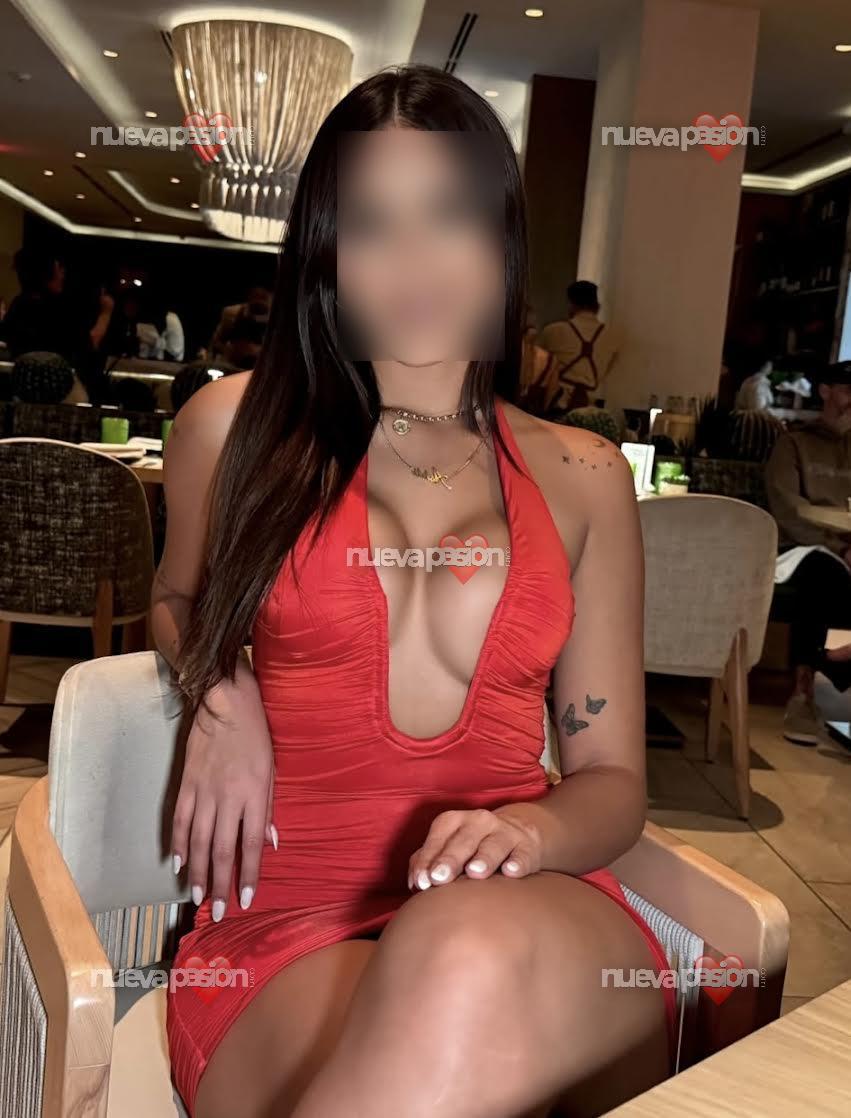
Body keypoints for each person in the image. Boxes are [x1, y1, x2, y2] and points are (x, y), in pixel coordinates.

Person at [155, 65, 674, 1118]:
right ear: (324, 252)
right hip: (284, 926)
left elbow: (613, 779)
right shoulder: (231, 427)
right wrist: (219, 684)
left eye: (447, 214)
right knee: (444, 999)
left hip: (524, 911)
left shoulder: (582, 475)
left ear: (500, 235)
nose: (414, 261)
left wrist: (530, 835)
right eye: (370, 223)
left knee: (458, 945)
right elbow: (174, 600)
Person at [765, 360, 851, 744]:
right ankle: (805, 689)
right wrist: (840, 548)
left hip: (846, 548)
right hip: (799, 547)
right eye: (848, 391)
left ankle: (836, 670)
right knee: (826, 573)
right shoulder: (793, 444)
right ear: (826, 392)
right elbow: (787, 510)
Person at [537, 281, 619, 401]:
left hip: (555, 402)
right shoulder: (613, 337)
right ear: (597, 306)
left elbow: (536, 366)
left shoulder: (553, 330)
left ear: (571, 304)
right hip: (590, 405)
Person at [208, 285, 272, 359]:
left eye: (263, 297)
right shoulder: (232, 313)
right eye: (256, 296)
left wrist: (258, 351)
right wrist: (229, 350)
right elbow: (216, 342)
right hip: (233, 360)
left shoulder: (277, 321)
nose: (259, 301)